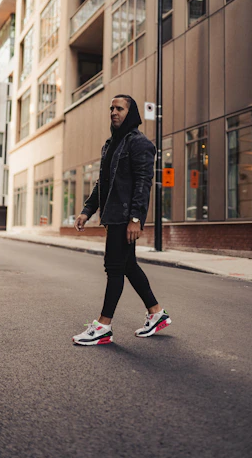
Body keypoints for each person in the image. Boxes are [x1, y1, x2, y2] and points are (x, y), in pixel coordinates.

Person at [72, 95, 171, 346]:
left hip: (125, 217)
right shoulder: (110, 144)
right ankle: (156, 313)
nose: (114, 112)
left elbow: (143, 183)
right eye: (112, 108)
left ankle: (103, 326)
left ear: (131, 112)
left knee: (114, 268)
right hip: (113, 215)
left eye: (120, 108)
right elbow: (102, 183)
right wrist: (87, 210)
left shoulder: (140, 144)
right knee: (128, 266)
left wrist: (136, 218)